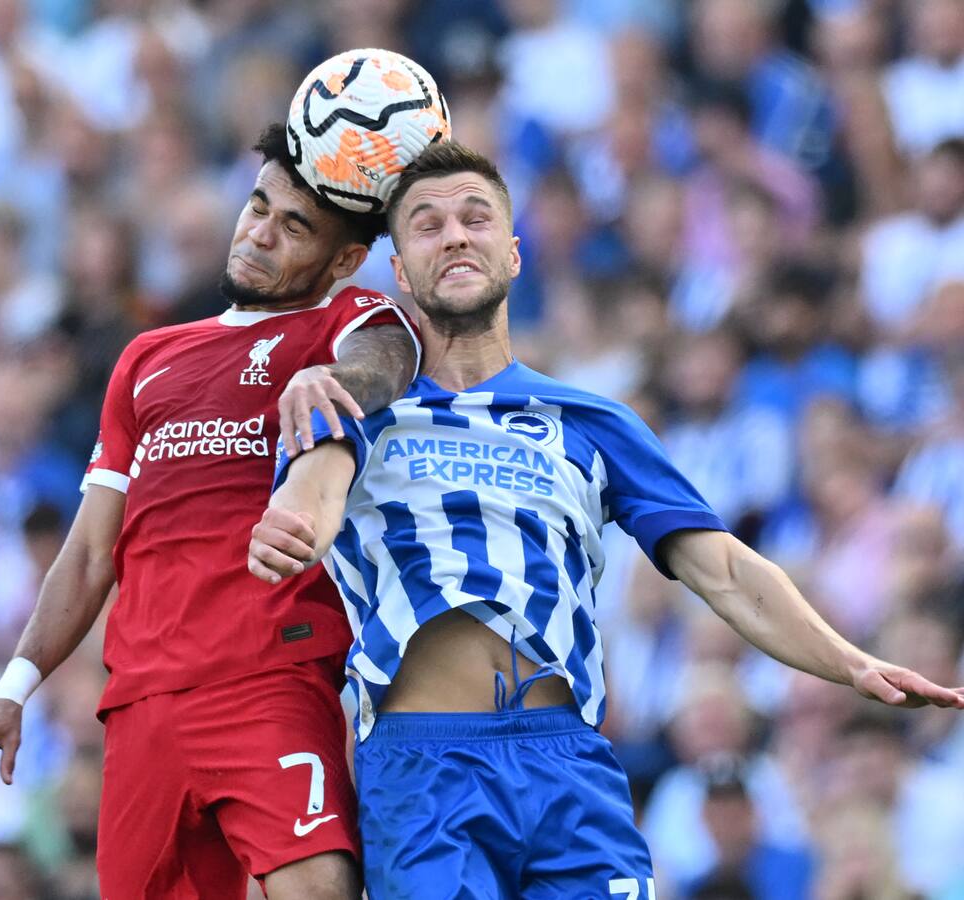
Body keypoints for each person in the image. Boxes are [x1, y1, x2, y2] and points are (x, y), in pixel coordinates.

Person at [248, 141, 964, 898]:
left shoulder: (590, 418)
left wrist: (852, 662)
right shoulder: (362, 409)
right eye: (426, 224)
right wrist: (293, 523)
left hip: (571, 765)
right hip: (425, 770)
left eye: (475, 217)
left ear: (514, 253)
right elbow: (312, 499)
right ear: (399, 271)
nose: (455, 234)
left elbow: (723, 569)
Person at [0, 122, 420, 900]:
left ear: (343, 260)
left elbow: (385, 361)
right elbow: (92, 551)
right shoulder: (147, 359)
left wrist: (331, 386)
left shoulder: (343, 325)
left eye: (294, 226)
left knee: (318, 886)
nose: (261, 234)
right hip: (141, 706)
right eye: (258, 206)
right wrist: (12, 687)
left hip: (270, 674)